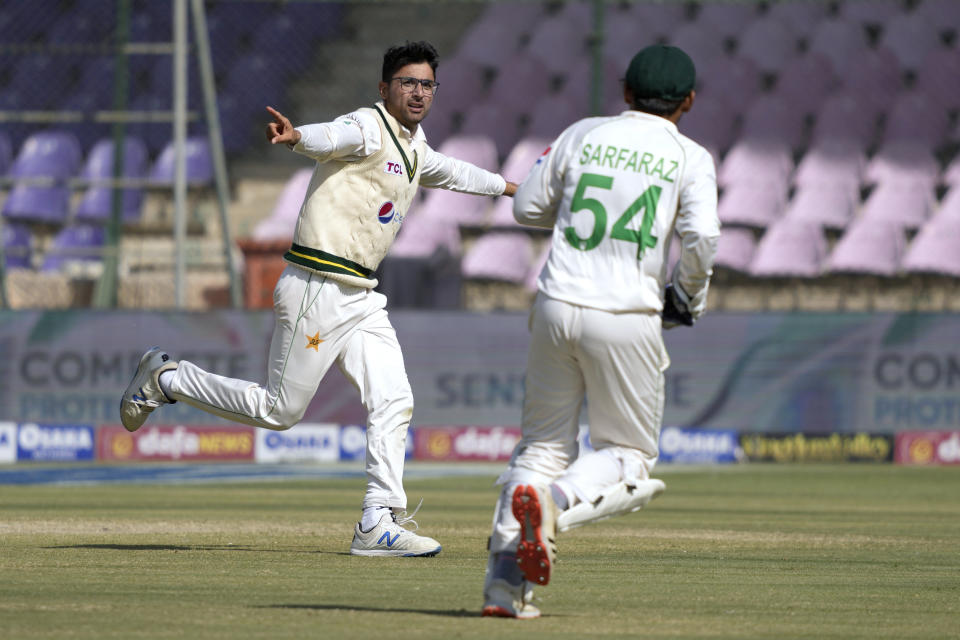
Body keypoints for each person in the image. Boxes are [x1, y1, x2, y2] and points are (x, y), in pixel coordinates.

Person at [120, 41, 518, 558]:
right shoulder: (368, 126)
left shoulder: (415, 148)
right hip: (316, 286)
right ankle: (167, 379)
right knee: (278, 412)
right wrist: (296, 137)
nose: (418, 92)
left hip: (362, 297)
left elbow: (458, 173)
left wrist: (514, 190)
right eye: (407, 83)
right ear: (384, 88)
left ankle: (378, 521)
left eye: (426, 85)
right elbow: (333, 137)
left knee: (395, 398)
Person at [481, 44, 720, 618]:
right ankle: (555, 501)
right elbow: (703, 238)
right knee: (629, 457)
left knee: (540, 448)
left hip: (558, 301)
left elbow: (528, 210)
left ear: (624, 92)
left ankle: (503, 590)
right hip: (627, 313)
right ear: (689, 101)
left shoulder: (582, 133)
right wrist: (688, 296)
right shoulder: (690, 155)